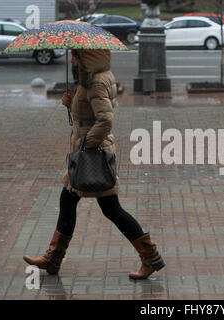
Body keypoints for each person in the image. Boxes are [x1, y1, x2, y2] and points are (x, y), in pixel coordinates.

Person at [23, 49, 165, 280]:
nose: (71, 60)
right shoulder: (90, 78)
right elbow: (88, 112)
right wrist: (71, 104)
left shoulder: (96, 82)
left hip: (93, 153)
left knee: (111, 208)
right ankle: (53, 258)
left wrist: (87, 143)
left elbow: (105, 119)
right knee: (68, 200)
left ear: (85, 59)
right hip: (84, 151)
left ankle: (150, 257)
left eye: (75, 56)